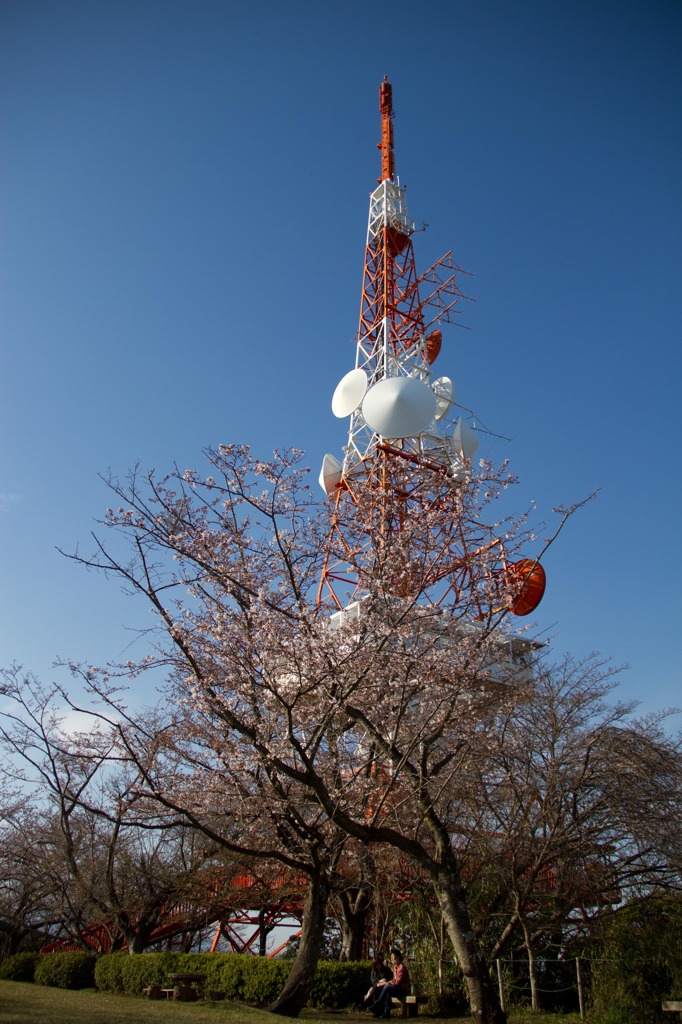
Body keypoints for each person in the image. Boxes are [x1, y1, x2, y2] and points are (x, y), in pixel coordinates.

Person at [371, 948, 410, 1019]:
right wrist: (387, 983)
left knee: (387, 988)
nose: (392, 959)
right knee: (387, 990)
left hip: (403, 990)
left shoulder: (401, 967)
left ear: (398, 958)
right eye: (391, 958)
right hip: (396, 988)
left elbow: (398, 982)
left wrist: (388, 983)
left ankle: (377, 1003)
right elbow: (393, 980)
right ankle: (386, 1012)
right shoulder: (394, 967)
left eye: (393, 958)